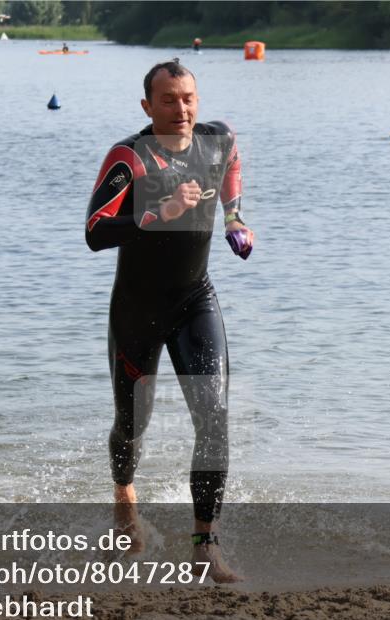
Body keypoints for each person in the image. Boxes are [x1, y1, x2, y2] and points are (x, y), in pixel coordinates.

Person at [85, 59, 254, 583]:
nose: (180, 109)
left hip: (194, 300)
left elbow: (231, 165)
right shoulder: (130, 156)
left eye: (187, 99)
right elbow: (95, 229)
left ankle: (205, 545)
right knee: (132, 426)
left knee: (214, 416)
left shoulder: (217, 139)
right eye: (167, 101)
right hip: (137, 308)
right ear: (146, 106)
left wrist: (234, 217)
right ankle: (124, 500)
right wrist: (159, 214)